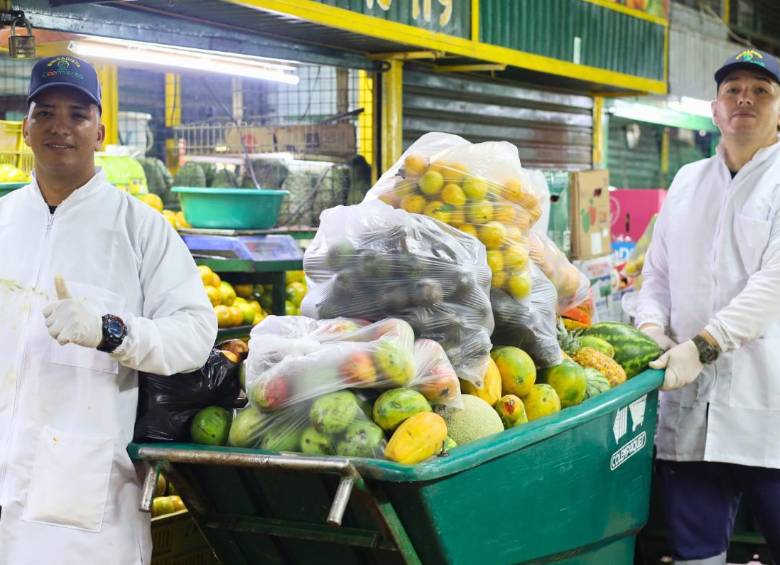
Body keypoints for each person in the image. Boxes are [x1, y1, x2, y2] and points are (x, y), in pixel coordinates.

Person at [0, 55, 217, 564]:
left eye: (77, 114)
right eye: (44, 113)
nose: (60, 126)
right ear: (26, 130)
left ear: (99, 133)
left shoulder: (140, 229)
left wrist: (111, 331)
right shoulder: (3, 221)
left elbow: (194, 332)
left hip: (82, 495)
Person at [637, 48, 780, 564]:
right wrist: (650, 327)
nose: (745, 98)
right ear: (715, 109)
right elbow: (656, 274)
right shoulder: (686, 182)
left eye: (761, 90)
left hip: (767, 415)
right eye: (732, 89)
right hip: (689, 416)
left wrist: (701, 346)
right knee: (696, 556)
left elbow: (773, 284)